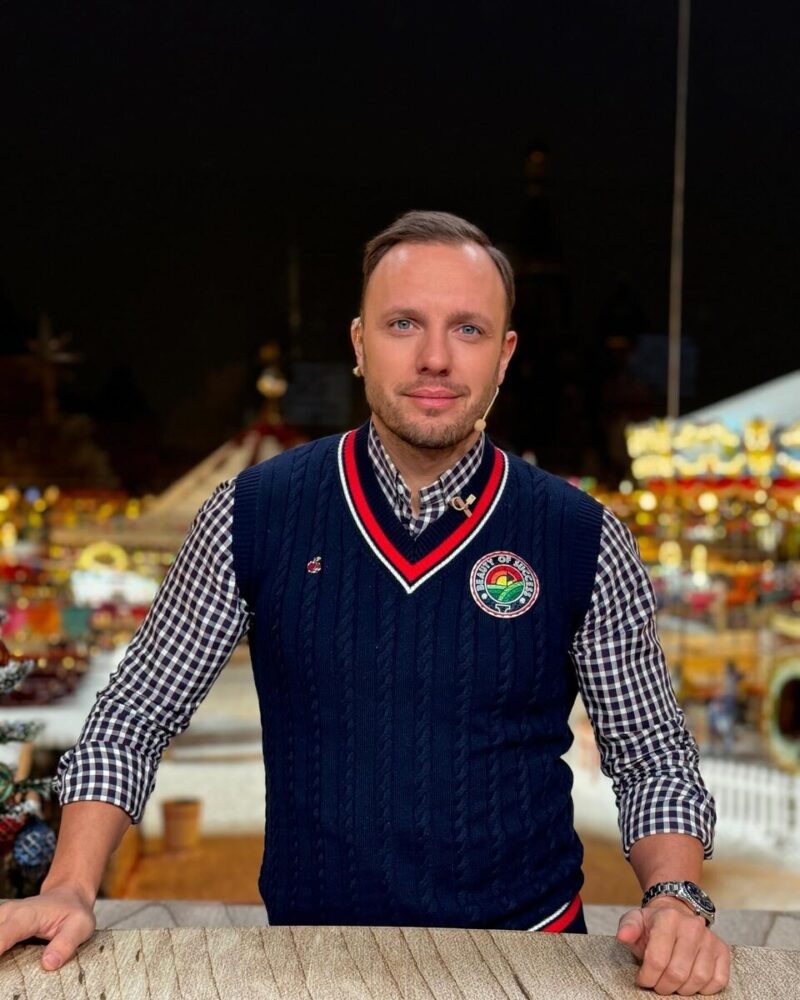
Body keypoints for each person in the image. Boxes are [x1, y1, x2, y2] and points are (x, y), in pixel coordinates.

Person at [0, 210, 730, 995]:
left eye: (469, 329)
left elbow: (651, 751)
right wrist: (69, 886)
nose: (435, 357)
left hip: (529, 958)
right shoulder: (254, 513)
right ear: (358, 344)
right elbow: (135, 712)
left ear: (505, 355)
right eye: (403, 323)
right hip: (311, 963)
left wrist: (673, 898)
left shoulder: (582, 536)